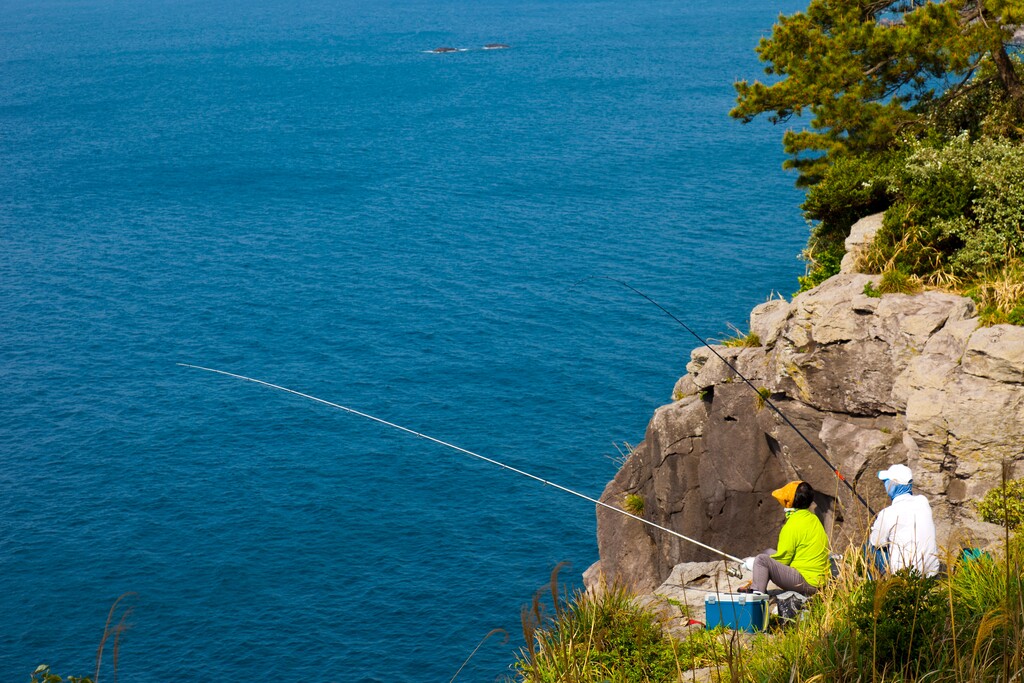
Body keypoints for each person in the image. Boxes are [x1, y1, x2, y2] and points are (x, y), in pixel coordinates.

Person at [741, 481, 831, 596]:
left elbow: (783, 559)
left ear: (788, 503)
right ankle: (758, 583)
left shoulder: (792, 525)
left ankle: (756, 594)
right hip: (818, 580)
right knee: (768, 552)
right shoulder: (813, 518)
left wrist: (753, 563)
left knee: (761, 560)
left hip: (807, 583)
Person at [867, 463, 939, 577]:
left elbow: (876, 542)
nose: (884, 484)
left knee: (869, 546)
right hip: (932, 572)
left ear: (892, 485)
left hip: (906, 575)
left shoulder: (887, 513)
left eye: (886, 481)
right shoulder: (923, 501)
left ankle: (881, 585)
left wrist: (878, 526)